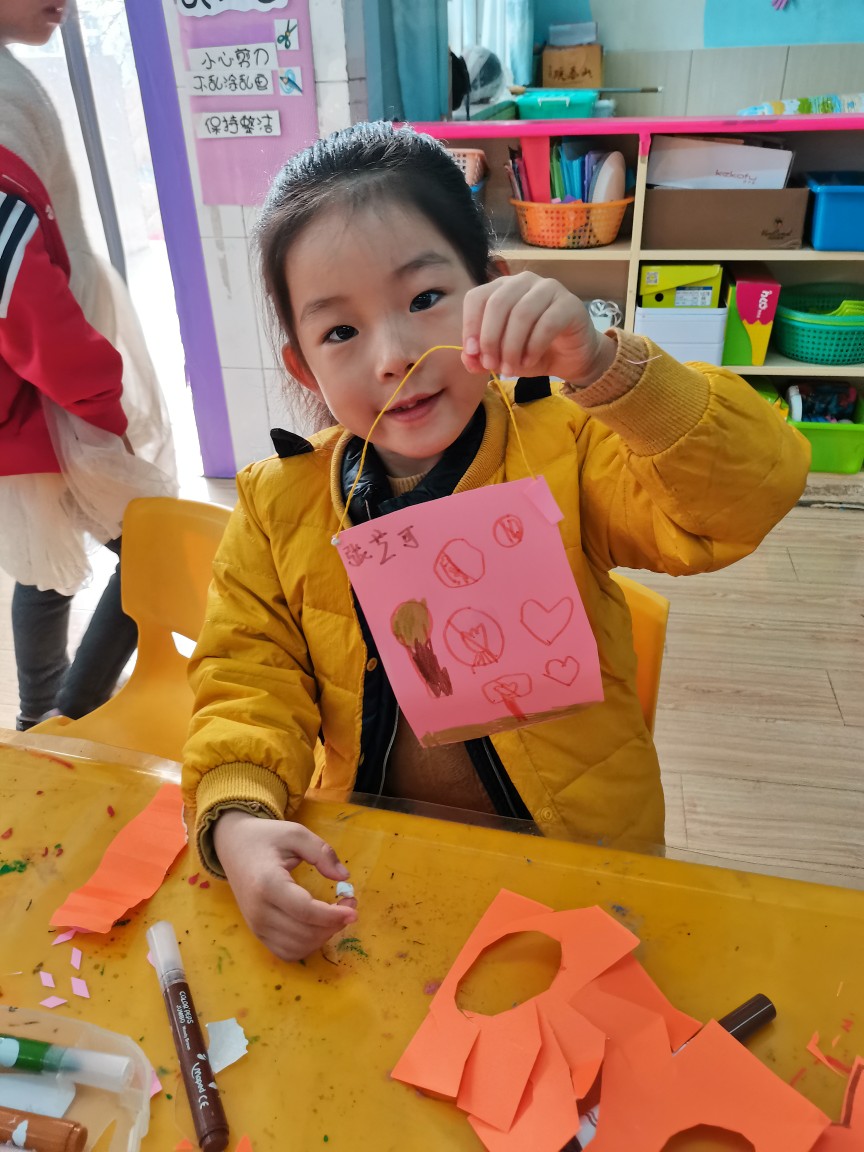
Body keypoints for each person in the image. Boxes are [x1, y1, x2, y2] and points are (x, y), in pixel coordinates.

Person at [182, 121, 810, 963]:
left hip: (578, 871)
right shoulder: (276, 504)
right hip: (377, 870)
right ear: (304, 369)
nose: (394, 356)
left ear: (494, 288)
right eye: (340, 333)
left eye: (423, 299)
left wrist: (606, 368)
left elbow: (747, 499)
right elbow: (247, 679)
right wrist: (239, 816)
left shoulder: (568, 446)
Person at [0, 1, 176, 729]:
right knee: (155, 548)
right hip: (49, 394)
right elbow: (20, 293)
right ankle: (70, 716)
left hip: (36, 398)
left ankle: (43, 717)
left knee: (47, 551)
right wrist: (97, 396)